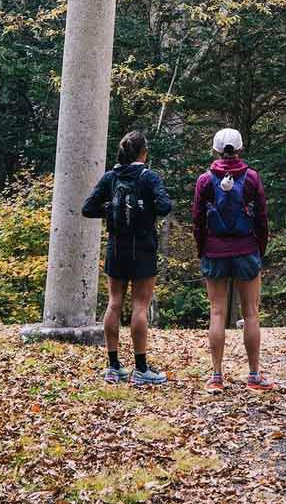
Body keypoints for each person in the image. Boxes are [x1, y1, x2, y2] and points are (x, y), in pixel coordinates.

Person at [82, 129, 173, 387]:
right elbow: (165, 207)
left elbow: (88, 208)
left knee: (114, 303)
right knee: (140, 307)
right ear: (144, 152)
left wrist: (111, 209)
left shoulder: (111, 177)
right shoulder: (149, 177)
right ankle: (141, 368)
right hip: (143, 248)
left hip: (116, 246)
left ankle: (113, 367)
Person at [193, 127, 276, 393]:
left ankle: (216, 376)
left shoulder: (205, 180)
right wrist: (258, 249)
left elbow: (197, 221)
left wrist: (202, 249)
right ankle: (254, 375)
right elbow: (261, 218)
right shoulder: (251, 177)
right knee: (251, 313)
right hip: (246, 249)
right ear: (240, 149)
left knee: (217, 312)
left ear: (216, 149)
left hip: (214, 251)